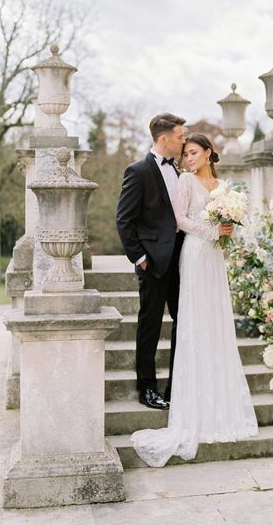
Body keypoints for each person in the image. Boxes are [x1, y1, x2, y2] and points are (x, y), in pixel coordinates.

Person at [131, 133, 258, 467]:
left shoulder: (223, 186)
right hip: (195, 252)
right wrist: (212, 231)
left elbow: (231, 222)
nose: (188, 158)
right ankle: (193, 404)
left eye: (193, 152)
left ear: (208, 153)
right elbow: (180, 220)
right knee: (194, 322)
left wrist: (228, 227)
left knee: (216, 322)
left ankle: (220, 401)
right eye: (185, 153)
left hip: (216, 258)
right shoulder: (185, 181)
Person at [116, 113, 186, 410]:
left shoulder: (181, 171)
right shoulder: (138, 171)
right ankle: (147, 388)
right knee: (150, 325)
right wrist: (140, 258)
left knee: (184, 325)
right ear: (164, 138)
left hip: (184, 261)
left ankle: (176, 386)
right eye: (180, 137)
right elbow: (124, 220)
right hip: (154, 263)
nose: (184, 142)